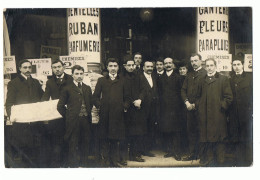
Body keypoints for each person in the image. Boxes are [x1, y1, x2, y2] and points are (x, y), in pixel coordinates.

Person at [93, 58, 131, 167]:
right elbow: (95, 97)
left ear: (118, 67)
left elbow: (128, 97)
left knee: (115, 139)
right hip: (105, 115)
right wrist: (100, 106)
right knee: (104, 139)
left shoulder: (123, 80)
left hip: (118, 116)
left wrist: (124, 106)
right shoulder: (102, 80)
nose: (113, 68)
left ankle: (114, 161)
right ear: (107, 67)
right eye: (111, 66)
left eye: (115, 66)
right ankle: (105, 162)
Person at [5, 59, 44, 167]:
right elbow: (9, 103)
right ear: (20, 69)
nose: (27, 70)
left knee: (36, 152)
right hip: (21, 125)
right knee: (24, 154)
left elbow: (42, 99)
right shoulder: (13, 83)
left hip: (36, 123)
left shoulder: (36, 82)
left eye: (29, 67)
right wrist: (13, 117)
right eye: (25, 67)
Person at [195, 58, 233, 166]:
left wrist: (221, 107)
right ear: (205, 67)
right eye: (207, 66)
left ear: (215, 66)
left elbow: (229, 97)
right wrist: (200, 107)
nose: (209, 68)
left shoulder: (223, 79)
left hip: (218, 115)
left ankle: (220, 162)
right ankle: (208, 161)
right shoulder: (201, 80)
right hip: (204, 116)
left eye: (211, 65)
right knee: (206, 139)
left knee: (220, 139)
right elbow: (197, 97)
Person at [57, 65, 93, 167]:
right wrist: (69, 115)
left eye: (81, 74)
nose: (79, 76)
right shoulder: (67, 88)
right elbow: (60, 106)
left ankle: (84, 164)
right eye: (76, 74)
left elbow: (90, 103)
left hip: (85, 119)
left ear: (84, 75)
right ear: (72, 75)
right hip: (73, 121)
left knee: (85, 142)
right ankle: (73, 166)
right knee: (73, 143)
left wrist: (86, 113)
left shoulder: (87, 88)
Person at [41, 60, 73, 167]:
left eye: (59, 66)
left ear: (63, 67)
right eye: (54, 67)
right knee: (57, 140)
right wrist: (42, 107)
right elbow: (45, 96)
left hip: (70, 114)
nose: (57, 69)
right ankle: (58, 164)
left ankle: (68, 163)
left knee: (69, 139)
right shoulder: (50, 82)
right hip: (57, 115)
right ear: (52, 69)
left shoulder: (71, 79)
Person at [181, 53, 207, 161]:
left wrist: (195, 104)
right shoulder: (189, 74)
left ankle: (202, 155)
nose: (194, 63)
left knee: (201, 131)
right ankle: (193, 154)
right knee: (191, 131)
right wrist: (187, 102)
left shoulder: (205, 74)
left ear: (201, 61)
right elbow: (183, 90)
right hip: (189, 109)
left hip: (201, 109)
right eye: (192, 61)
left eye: (196, 61)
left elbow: (205, 93)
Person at [228, 55, 253, 166]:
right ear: (232, 66)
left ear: (243, 65)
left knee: (247, 137)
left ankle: (248, 161)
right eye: (234, 65)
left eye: (238, 64)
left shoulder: (250, 77)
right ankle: (237, 161)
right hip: (234, 114)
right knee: (235, 137)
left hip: (246, 114)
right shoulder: (230, 79)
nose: (236, 67)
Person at [157, 57, 183, 161]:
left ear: (173, 64)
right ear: (163, 65)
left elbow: (181, 93)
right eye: (166, 63)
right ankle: (170, 150)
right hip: (164, 108)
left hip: (176, 109)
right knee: (167, 130)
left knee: (176, 131)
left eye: (169, 63)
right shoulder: (160, 78)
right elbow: (158, 94)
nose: (168, 65)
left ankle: (177, 152)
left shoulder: (178, 77)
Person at [134, 59, 159, 158]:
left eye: (151, 67)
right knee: (141, 129)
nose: (150, 68)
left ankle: (147, 149)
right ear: (143, 67)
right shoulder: (139, 77)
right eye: (147, 67)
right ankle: (140, 150)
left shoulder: (154, 77)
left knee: (150, 128)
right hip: (142, 108)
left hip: (152, 108)